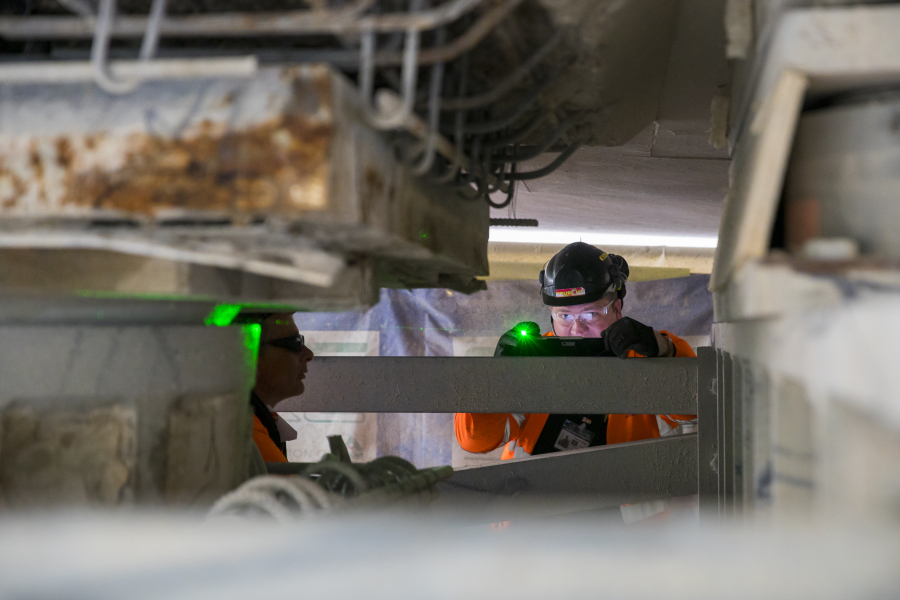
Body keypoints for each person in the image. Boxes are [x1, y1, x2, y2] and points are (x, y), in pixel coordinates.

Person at [455, 242, 697, 462]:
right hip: (531, 503)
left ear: (617, 308)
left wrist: (663, 351)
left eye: (590, 314)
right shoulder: (532, 359)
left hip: (618, 505)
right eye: (564, 316)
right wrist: (492, 378)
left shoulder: (653, 352)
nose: (577, 328)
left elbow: (698, 412)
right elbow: (475, 441)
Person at [239, 312, 315, 463]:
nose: (309, 354)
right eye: (295, 342)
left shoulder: (255, 422)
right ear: (249, 356)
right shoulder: (246, 434)